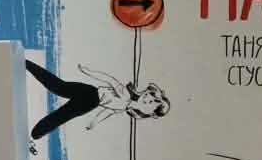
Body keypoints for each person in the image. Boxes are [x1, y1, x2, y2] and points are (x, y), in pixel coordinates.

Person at [25, 60, 170, 144]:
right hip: (90, 94)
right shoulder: (125, 95)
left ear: (149, 113)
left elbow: (107, 111)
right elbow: (109, 80)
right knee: (59, 89)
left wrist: (94, 122)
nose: (147, 99)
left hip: (91, 103)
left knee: (62, 113)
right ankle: (28, 65)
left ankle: (35, 134)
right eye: (149, 95)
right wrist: (88, 72)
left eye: (151, 103)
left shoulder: (124, 108)